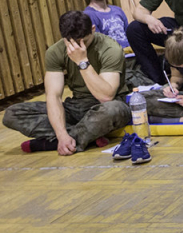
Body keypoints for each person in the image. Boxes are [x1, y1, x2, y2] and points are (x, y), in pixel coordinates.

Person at [3, 11, 129, 155]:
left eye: (84, 41)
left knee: (113, 110)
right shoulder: (55, 52)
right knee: (12, 114)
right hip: (76, 106)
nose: (79, 48)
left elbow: (106, 96)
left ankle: (51, 143)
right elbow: (54, 96)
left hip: (106, 105)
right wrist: (62, 134)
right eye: (73, 43)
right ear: (64, 38)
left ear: (93, 29)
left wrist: (82, 62)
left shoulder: (110, 48)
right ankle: (85, 136)